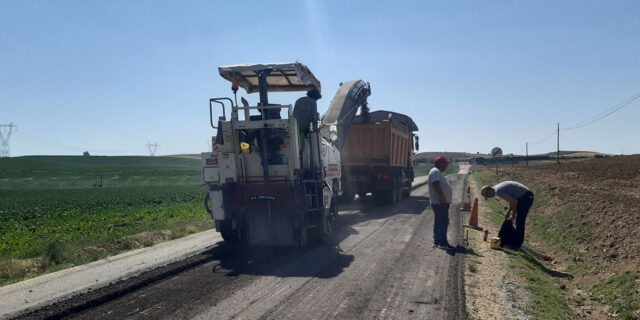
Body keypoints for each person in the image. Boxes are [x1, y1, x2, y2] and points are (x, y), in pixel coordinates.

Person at [481, 181, 534, 248]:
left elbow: (513, 203)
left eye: (488, 195)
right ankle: (516, 241)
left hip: (526, 196)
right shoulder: (497, 188)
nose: (489, 197)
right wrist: (509, 212)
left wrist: (512, 216)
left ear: (489, 190)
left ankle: (517, 244)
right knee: (519, 221)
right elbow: (512, 200)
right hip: (525, 196)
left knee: (520, 221)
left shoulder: (498, 191)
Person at [428, 156, 453, 249]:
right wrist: (442, 198)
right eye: (445, 164)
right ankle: (443, 243)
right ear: (440, 164)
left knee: (439, 221)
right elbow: (436, 185)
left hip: (439, 202)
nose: (446, 166)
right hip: (439, 202)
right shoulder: (435, 172)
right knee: (443, 222)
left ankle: (437, 241)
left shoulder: (436, 172)